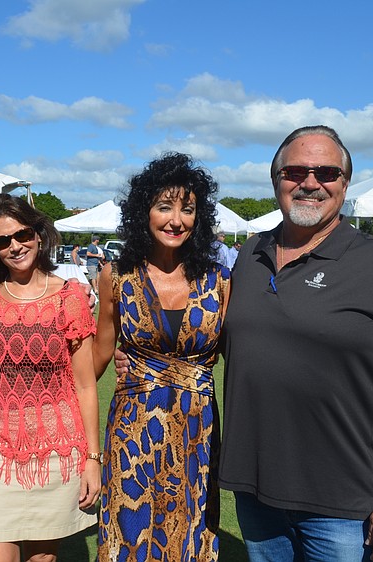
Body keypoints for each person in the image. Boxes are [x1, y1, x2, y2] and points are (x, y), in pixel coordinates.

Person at [219, 125, 373, 562]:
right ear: (275, 179)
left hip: (344, 504)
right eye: (296, 170)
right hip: (254, 491)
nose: (310, 182)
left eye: (326, 172)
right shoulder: (249, 256)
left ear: (344, 183)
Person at [93, 152, 229, 561]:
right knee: (130, 533)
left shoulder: (218, 282)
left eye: (187, 209)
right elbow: (96, 357)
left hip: (196, 429)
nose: (176, 220)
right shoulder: (115, 276)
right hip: (133, 430)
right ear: (143, 212)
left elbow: (239, 354)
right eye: (164, 206)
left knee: (190, 530)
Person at [0, 194, 100, 562]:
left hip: (58, 451)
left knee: (42, 560)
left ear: (39, 235)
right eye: (3, 241)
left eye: (23, 235)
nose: (15, 246)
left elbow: (86, 383)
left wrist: (93, 458)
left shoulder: (69, 296)